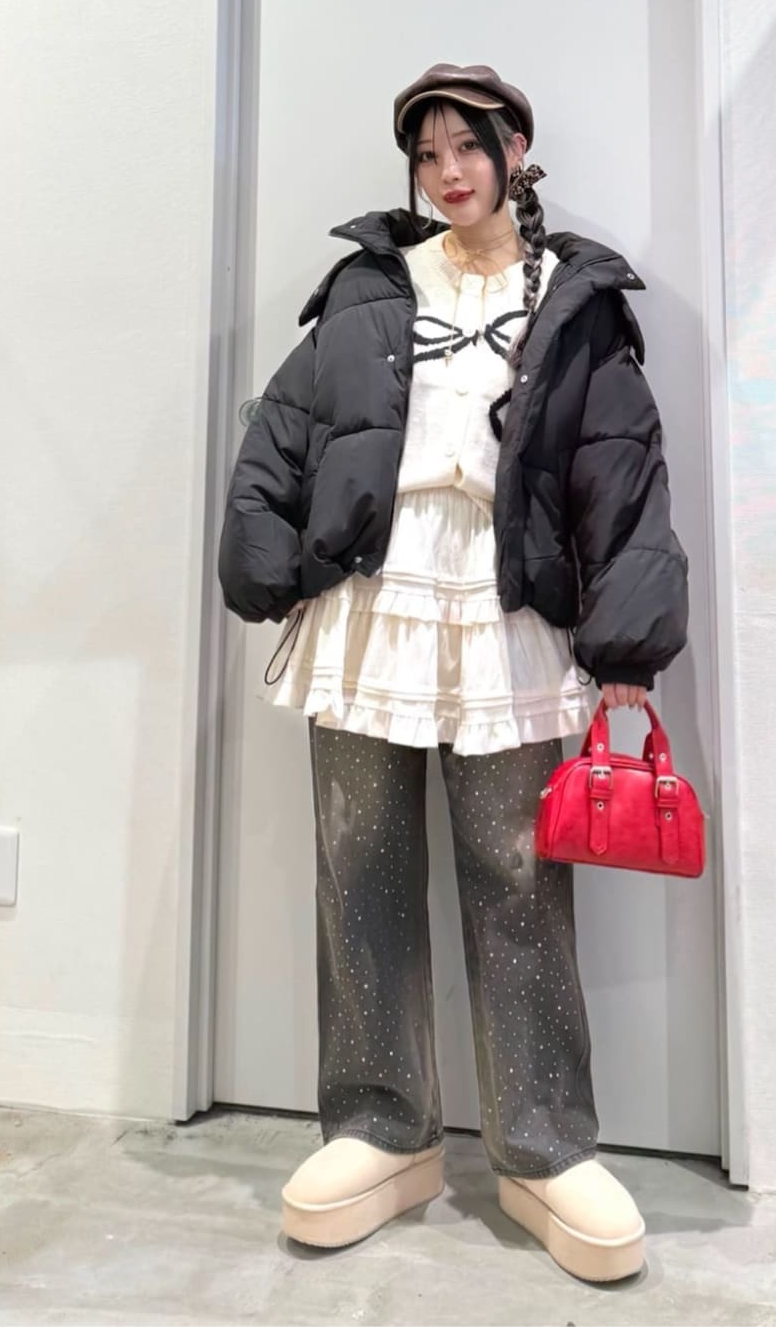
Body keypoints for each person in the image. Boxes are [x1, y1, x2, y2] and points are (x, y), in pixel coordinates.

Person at [218, 62, 689, 1283]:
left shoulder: (570, 297)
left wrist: (627, 646)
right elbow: (285, 430)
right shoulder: (372, 285)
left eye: (466, 147)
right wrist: (263, 559)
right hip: (368, 610)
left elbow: (620, 466)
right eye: (426, 154)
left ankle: (542, 1143)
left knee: (517, 874)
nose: (446, 172)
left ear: (514, 149)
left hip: (503, 615)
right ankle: (381, 1127)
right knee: (358, 867)